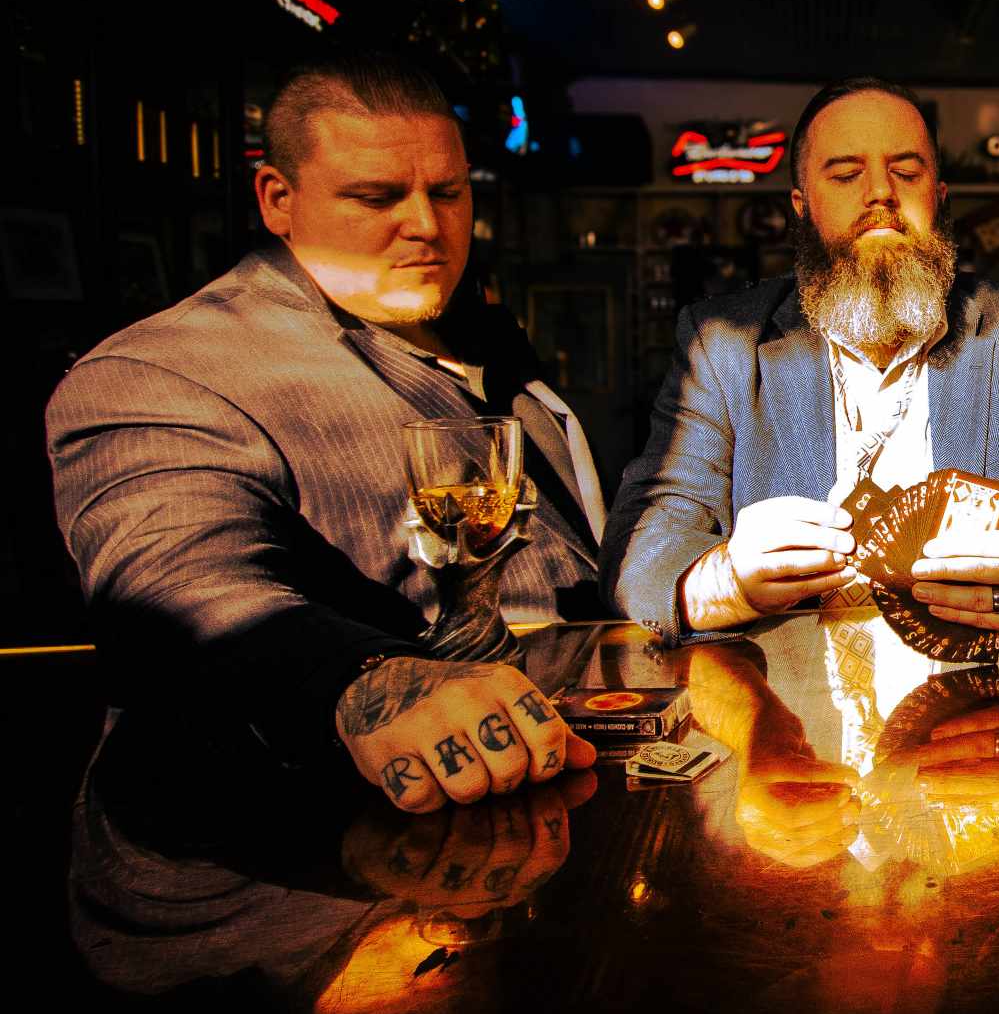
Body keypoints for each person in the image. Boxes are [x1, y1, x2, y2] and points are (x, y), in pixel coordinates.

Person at [47, 52, 605, 810]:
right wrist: (365, 680)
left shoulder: (477, 336)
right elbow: (177, 586)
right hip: (338, 836)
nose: (426, 226)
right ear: (277, 199)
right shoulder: (163, 368)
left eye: (447, 193)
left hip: (566, 784)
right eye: (376, 197)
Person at [604, 76, 999, 641]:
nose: (881, 192)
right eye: (845, 174)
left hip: (980, 690)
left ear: (939, 196)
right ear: (802, 207)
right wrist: (725, 582)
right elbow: (641, 543)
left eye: (906, 172)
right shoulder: (723, 345)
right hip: (783, 694)